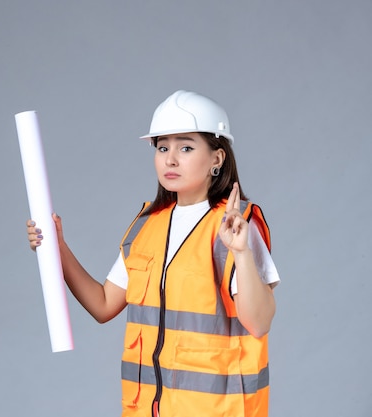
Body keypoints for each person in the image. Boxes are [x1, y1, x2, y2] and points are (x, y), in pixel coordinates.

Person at [26, 90, 280, 417]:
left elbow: (258, 323)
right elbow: (103, 305)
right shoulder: (147, 227)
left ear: (217, 158)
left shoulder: (235, 225)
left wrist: (242, 254)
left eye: (186, 147)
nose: (170, 159)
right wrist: (57, 248)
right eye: (162, 148)